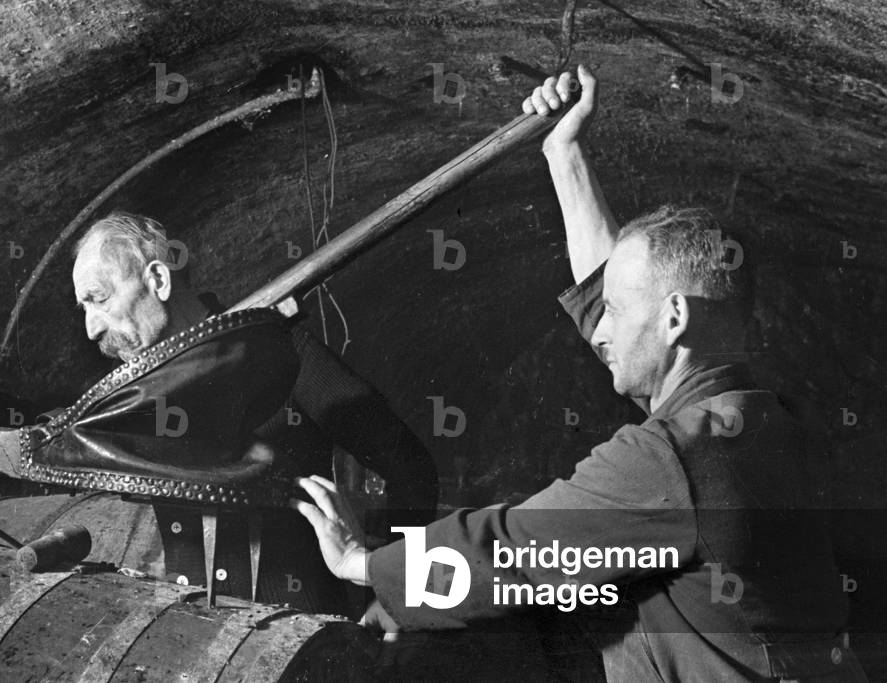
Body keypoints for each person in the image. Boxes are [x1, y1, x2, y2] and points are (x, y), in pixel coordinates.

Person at [293, 65, 869, 681]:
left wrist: (366, 564)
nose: (599, 332)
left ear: (674, 318)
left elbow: (512, 553)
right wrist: (562, 153)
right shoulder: (767, 422)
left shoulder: (669, 461)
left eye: (616, 314)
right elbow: (618, 301)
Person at [0, 211, 437, 614]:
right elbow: (45, 438)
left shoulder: (282, 354)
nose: (89, 329)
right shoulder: (144, 386)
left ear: (157, 280)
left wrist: (384, 593)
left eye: (98, 299)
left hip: (307, 636)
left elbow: (409, 466)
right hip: (198, 635)